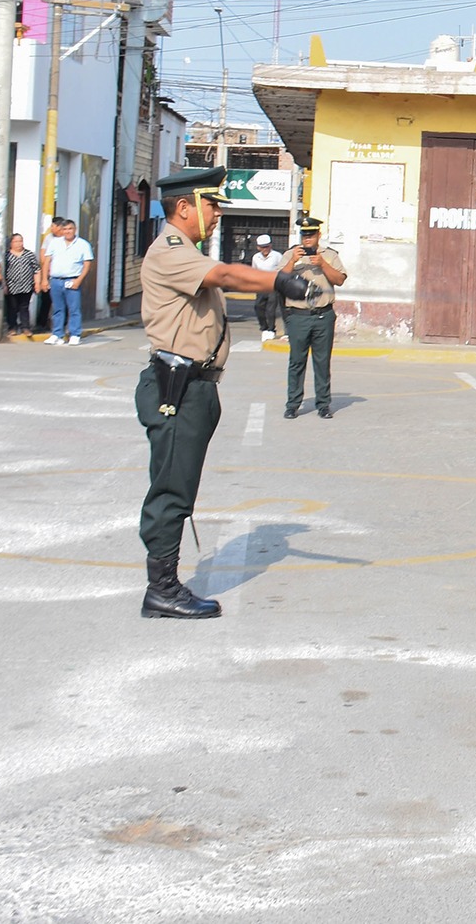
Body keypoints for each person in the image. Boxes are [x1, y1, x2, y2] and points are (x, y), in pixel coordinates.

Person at [136, 166, 306, 618]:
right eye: (211, 205)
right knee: (172, 487)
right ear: (185, 207)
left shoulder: (186, 250)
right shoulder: (171, 249)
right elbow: (228, 276)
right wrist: (278, 281)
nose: (216, 214)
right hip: (178, 386)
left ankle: (165, 584)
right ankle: (163, 589)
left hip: (195, 386)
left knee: (180, 483)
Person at [281, 216, 348, 420]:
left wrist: (323, 264)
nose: (307, 239)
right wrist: (293, 261)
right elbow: (279, 281)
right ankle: (293, 404)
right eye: (304, 235)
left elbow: (340, 279)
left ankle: (323, 405)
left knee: (322, 362)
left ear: (318, 235)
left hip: (322, 315)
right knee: (297, 362)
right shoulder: (290, 254)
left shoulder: (329, 255)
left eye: (311, 235)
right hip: (298, 316)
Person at [43, 216, 94, 345]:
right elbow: (47, 261)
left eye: (70, 229)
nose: (67, 231)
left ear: (75, 229)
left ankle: (75, 334)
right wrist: (44, 279)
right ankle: (57, 334)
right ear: (62, 230)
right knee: (57, 309)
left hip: (72, 279)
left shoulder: (83, 244)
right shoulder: (55, 243)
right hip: (56, 280)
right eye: (65, 229)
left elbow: (87, 264)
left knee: (74, 308)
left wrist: (79, 280)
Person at [4, 231, 39, 339]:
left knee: (24, 307)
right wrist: (5, 285)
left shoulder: (29, 254)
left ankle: (25, 327)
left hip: (26, 285)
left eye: (20, 241)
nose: (19, 244)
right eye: (16, 241)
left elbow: (36, 269)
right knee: (12, 308)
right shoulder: (7, 255)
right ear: (11, 243)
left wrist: (37, 283)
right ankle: (12, 327)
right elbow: (3, 271)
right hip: (12, 286)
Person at [250, 235, 285, 342]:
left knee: (271, 309)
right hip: (261, 285)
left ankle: (271, 330)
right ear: (258, 247)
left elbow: (282, 269)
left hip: (273, 285)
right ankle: (264, 328)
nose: (265, 249)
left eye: (267, 247)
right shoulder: (256, 257)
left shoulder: (277, 256)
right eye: (262, 247)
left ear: (270, 246)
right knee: (258, 307)